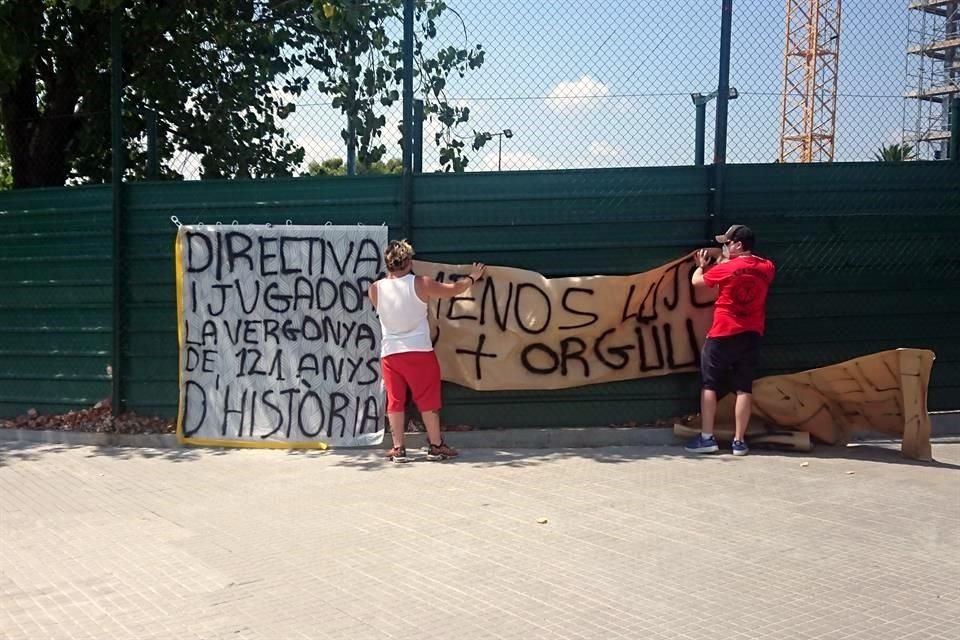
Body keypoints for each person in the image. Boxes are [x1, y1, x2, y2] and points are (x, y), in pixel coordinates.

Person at [368, 239, 485, 463]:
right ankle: (435, 445)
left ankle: (399, 448)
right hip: (419, 350)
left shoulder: (375, 289)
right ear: (409, 261)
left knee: (395, 400)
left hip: (390, 352)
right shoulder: (421, 283)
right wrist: (472, 277)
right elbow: (453, 290)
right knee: (428, 399)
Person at [685, 224, 775, 457]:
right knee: (744, 388)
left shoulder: (726, 268)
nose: (724, 247)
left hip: (723, 332)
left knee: (709, 385)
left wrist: (701, 267)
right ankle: (739, 442)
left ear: (738, 245)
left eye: (727, 243)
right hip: (752, 333)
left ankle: (707, 438)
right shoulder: (767, 267)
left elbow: (698, 283)